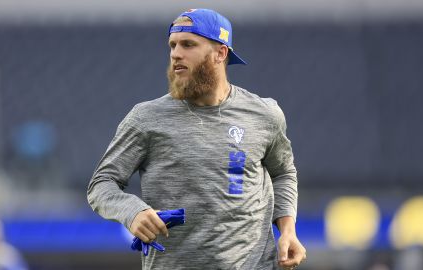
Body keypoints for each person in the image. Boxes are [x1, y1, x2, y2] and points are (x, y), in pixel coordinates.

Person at [87, 8, 306, 270]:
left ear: (220, 53)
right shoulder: (145, 118)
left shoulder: (264, 114)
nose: (176, 54)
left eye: (188, 44)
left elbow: (282, 173)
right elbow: (102, 184)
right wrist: (132, 212)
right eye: (172, 45)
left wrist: (288, 230)